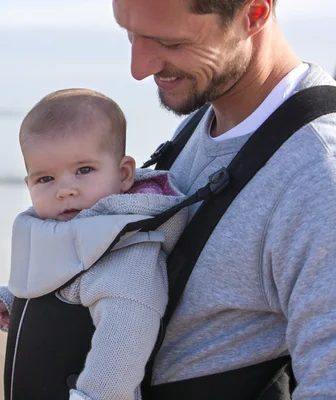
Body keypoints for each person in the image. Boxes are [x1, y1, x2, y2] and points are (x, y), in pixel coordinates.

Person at [109, 0, 336, 397]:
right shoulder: (205, 116)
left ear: (255, 15)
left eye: (170, 42)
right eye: (130, 35)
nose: (138, 68)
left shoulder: (318, 177)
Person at [0, 88, 189, 400]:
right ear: (28, 184)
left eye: (83, 170)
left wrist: (95, 395)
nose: (65, 190)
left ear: (124, 174)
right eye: (45, 179)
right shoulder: (68, 227)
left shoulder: (125, 250)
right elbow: (58, 276)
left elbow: (126, 335)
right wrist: (13, 300)